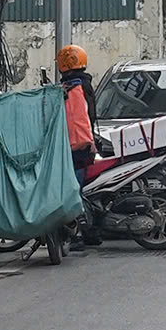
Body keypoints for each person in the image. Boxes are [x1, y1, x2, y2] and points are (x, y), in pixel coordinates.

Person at [57, 44, 103, 246]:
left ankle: (80, 234)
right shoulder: (83, 84)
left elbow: (78, 120)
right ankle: (91, 233)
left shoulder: (74, 87)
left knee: (73, 190)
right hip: (84, 144)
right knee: (79, 189)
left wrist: (84, 143)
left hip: (77, 147)